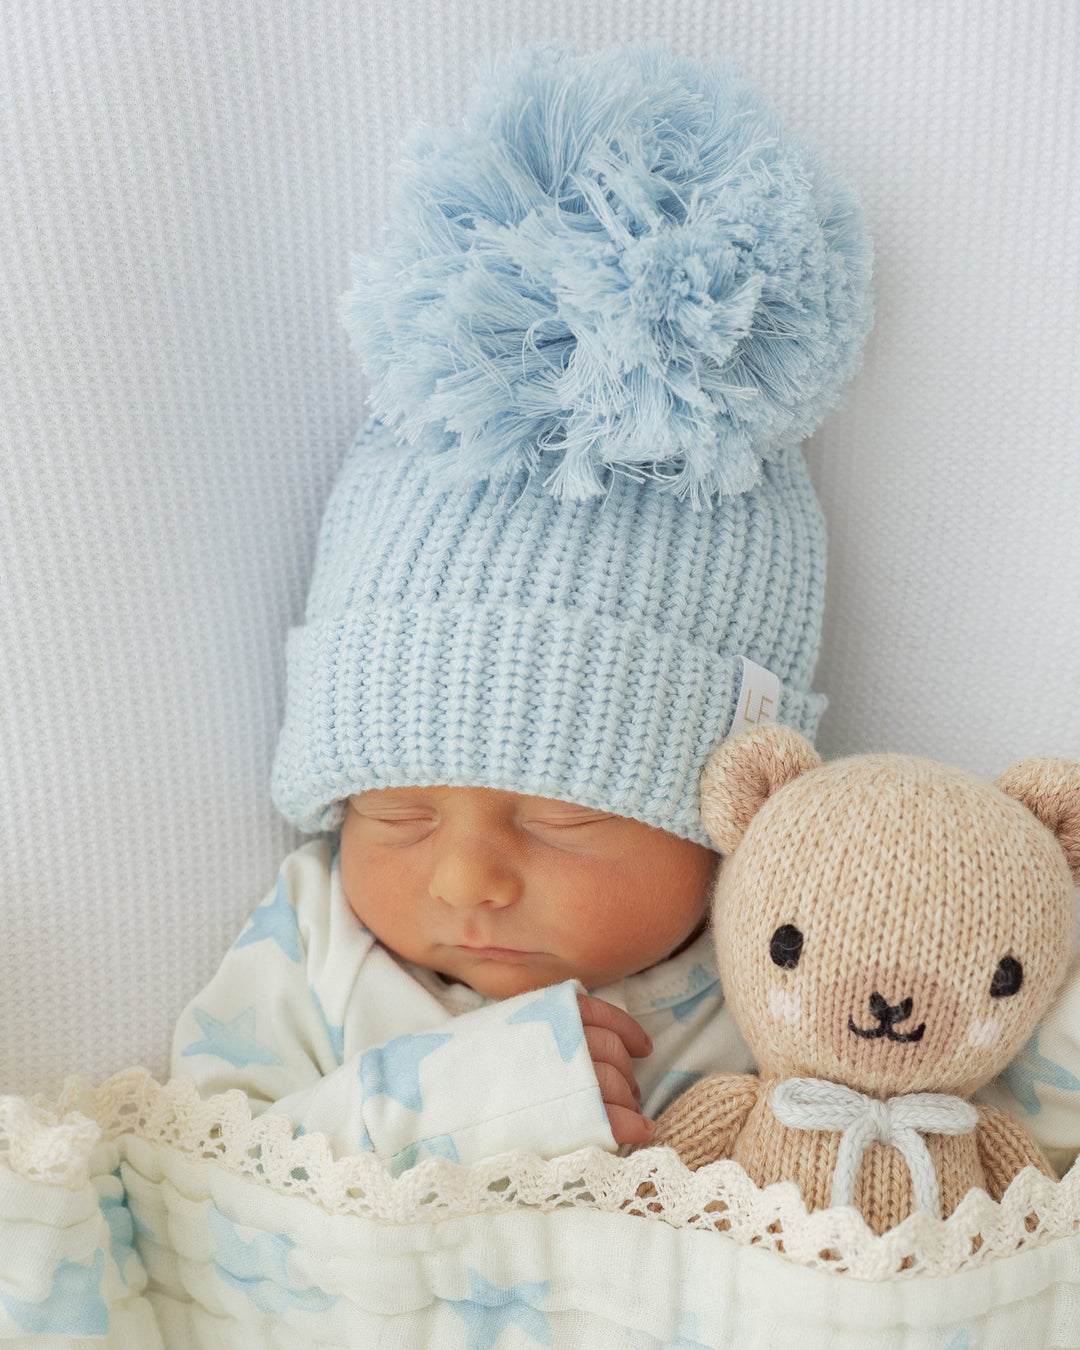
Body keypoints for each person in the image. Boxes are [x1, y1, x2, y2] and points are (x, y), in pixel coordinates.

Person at [170, 43, 875, 1176]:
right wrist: (459, 1104)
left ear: (724, 804)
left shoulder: (784, 956)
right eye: (396, 810)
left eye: (563, 815)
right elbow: (199, 1175)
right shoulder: (317, 952)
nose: (465, 880)